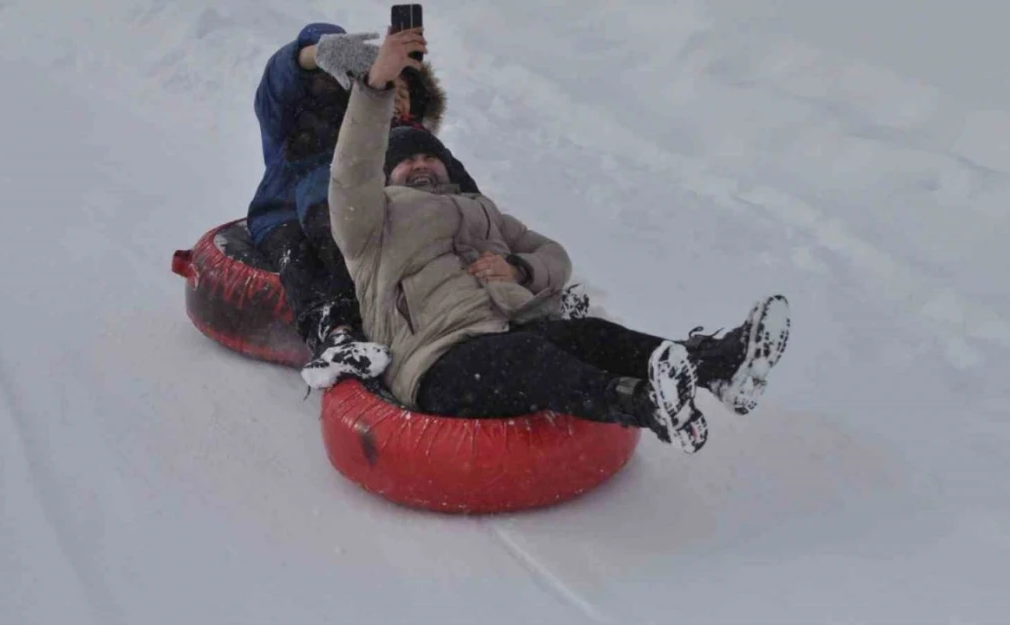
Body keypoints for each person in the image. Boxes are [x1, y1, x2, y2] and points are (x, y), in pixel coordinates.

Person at [326, 29, 792, 452]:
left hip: (511, 330)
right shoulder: (371, 222)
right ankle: (644, 405)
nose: (422, 165)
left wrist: (520, 269)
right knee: (528, 356)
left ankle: (717, 365)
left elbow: (554, 256)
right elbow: (351, 172)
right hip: (437, 360)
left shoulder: (482, 209)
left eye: (431, 157)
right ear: (388, 175)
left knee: (590, 335)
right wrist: (377, 85)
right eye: (408, 162)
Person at [244, 22, 479, 387]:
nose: (395, 101)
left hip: (370, 218)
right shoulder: (298, 123)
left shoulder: (401, 143)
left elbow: (469, 201)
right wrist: (315, 54)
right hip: (288, 213)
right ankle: (335, 330)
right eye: (390, 91)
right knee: (308, 254)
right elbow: (277, 83)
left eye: (402, 95)